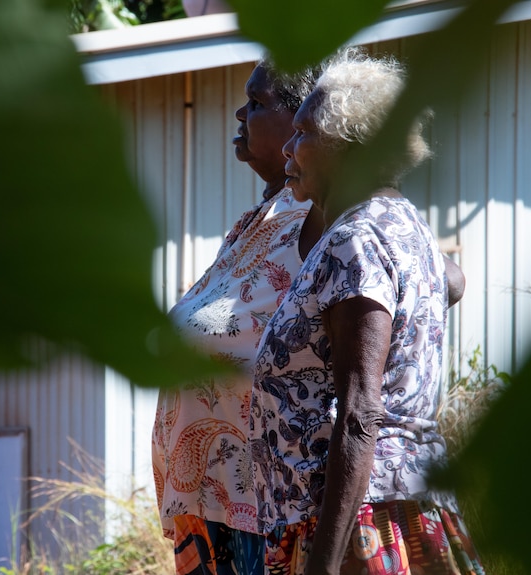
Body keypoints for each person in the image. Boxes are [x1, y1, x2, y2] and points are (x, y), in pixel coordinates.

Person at [248, 47, 483, 575]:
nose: (288, 145)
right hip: (393, 510)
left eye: (304, 133)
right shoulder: (404, 225)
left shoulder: (356, 239)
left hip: (357, 527)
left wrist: (325, 564)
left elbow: (359, 410)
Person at [152, 59, 325, 575]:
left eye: (256, 102)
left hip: (272, 503)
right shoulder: (259, 220)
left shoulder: (325, 216)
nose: (239, 112)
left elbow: (441, 273)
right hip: (216, 504)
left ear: (305, 119)